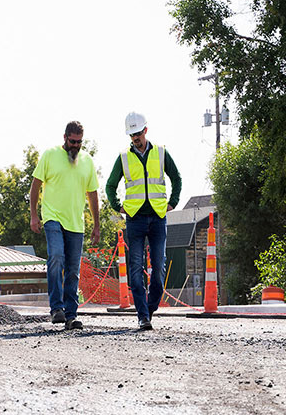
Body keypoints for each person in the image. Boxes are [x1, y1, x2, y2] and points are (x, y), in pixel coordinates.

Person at [105, 112, 182, 331]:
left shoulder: (161, 152)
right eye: (131, 135)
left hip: (158, 218)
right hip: (135, 219)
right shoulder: (123, 158)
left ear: (145, 131)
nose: (135, 138)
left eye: (138, 133)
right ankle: (142, 316)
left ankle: (149, 308)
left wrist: (173, 202)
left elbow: (176, 178)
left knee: (158, 270)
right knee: (136, 269)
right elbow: (110, 185)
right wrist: (116, 205)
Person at [30, 120, 100, 330]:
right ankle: (56, 308)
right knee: (57, 257)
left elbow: (93, 194)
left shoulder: (87, 161)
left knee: (73, 270)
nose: (76, 146)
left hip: (76, 223)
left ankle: (71, 315)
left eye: (79, 142)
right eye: (73, 141)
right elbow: (35, 185)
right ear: (65, 138)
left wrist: (96, 225)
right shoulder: (50, 155)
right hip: (52, 217)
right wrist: (34, 215)